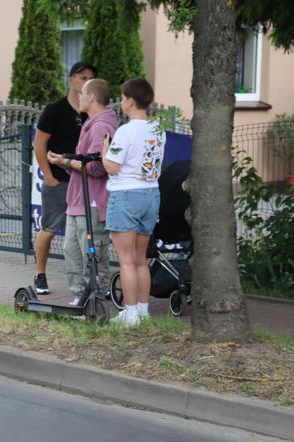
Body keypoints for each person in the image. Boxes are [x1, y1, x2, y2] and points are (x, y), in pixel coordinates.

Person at [47, 79, 118, 306]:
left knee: (93, 252)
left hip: (93, 201)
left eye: (81, 94)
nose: (78, 98)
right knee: (72, 250)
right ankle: (79, 294)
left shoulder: (100, 126)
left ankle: (95, 295)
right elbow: (85, 163)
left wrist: (66, 162)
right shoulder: (91, 123)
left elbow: (97, 167)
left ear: (91, 98)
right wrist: (66, 162)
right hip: (78, 200)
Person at [102, 78, 166, 327]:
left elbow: (112, 167)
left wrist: (104, 151)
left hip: (126, 194)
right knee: (140, 259)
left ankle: (129, 315)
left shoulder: (125, 131)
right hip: (151, 194)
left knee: (126, 259)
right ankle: (142, 310)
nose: (121, 102)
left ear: (130, 101)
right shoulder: (158, 130)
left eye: (123, 97)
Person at [33, 61, 98, 294]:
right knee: (49, 229)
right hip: (60, 181)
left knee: (85, 232)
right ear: (71, 79)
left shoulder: (94, 112)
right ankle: (40, 274)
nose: (85, 81)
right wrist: (49, 177)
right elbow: (39, 145)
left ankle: (89, 279)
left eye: (90, 78)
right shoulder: (55, 110)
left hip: (86, 182)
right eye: (81, 77)